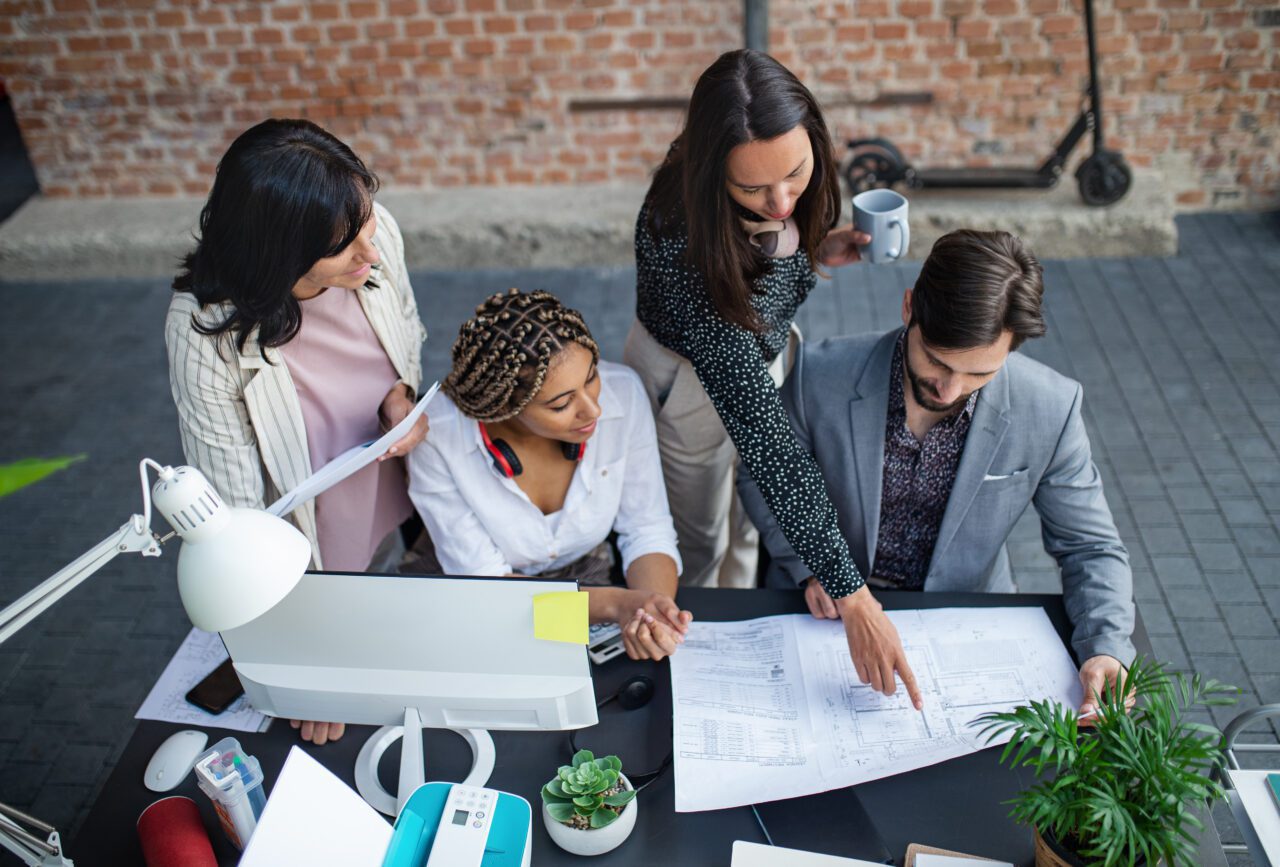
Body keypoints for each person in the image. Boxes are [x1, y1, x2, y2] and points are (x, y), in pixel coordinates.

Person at [739, 229, 1137, 716]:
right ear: (909, 308)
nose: (950, 389)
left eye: (979, 375)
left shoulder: (1051, 408)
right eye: (937, 361)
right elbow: (761, 479)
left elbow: (1090, 546)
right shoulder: (819, 374)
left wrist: (1106, 646)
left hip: (965, 626)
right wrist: (814, 569)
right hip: (822, 617)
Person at [625, 49, 899, 686]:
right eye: (753, 188)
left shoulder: (773, 186)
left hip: (761, 354)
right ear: (711, 170)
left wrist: (815, 253)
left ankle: (741, 631)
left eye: (796, 176)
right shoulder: (682, 244)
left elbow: (768, 248)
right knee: (698, 538)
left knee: (748, 527)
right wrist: (853, 595)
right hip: (686, 381)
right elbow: (775, 453)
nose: (780, 201)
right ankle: (686, 665)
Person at [165, 118, 428, 745]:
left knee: (382, 558)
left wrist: (402, 397)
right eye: (346, 247)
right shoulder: (201, 331)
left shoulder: (370, 226)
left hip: (380, 460)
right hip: (303, 514)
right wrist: (307, 661)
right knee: (340, 579)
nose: (372, 252)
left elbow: (408, 325)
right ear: (279, 252)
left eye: (367, 225)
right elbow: (236, 515)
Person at [408, 289, 691, 661]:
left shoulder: (625, 392)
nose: (593, 410)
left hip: (588, 582)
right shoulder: (437, 435)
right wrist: (617, 606)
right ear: (504, 407)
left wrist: (652, 614)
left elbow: (646, 528)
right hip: (476, 588)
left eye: (591, 378)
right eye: (561, 404)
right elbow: (488, 590)